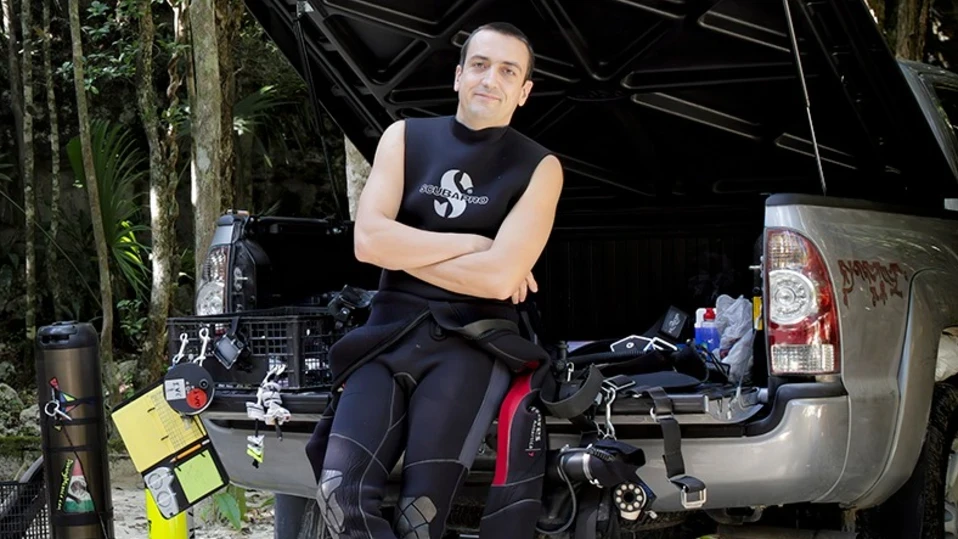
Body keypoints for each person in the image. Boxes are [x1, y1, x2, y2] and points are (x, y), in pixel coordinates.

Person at [304, 21, 563, 539]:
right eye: (480, 65)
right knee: (338, 493)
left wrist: (403, 249)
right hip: (387, 334)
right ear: (459, 75)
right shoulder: (404, 138)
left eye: (508, 71)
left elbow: (499, 281)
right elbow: (367, 243)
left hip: (471, 344)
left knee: (418, 519)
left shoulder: (540, 167)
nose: (490, 79)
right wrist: (475, 243)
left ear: (524, 91)